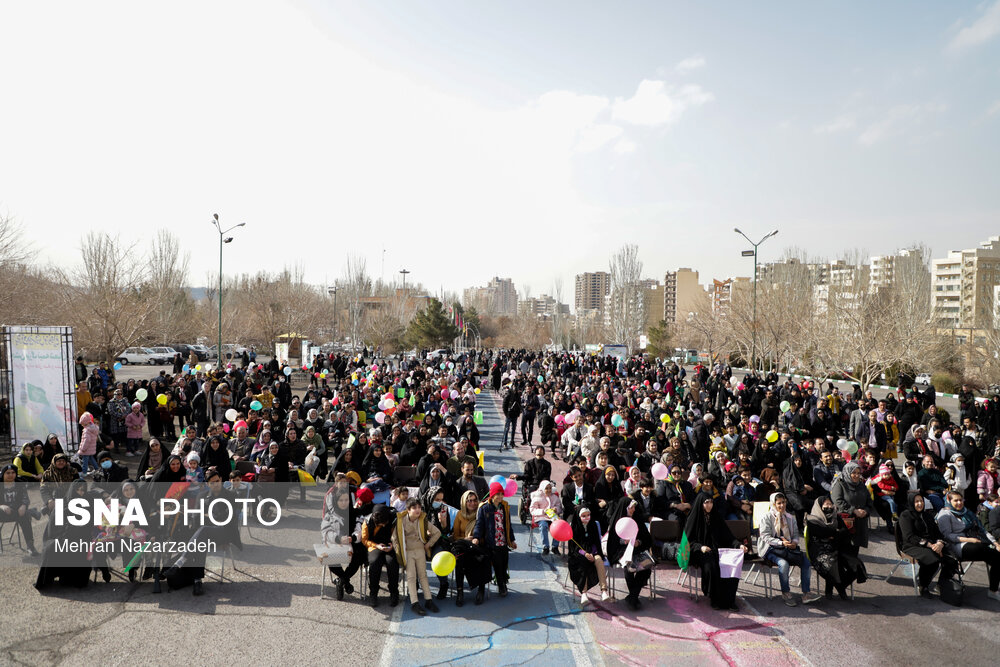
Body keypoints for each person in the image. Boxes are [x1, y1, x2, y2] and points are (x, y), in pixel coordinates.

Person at [683, 491, 747, 610]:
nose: (709, 505)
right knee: (711, 566)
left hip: (717, 550)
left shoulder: (716, 517)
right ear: (701, 504)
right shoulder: (693, 518)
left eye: (711, 502)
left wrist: (739, 545)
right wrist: (700, 547)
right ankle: (715, 598)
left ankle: (730, 600)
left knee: (731, 564)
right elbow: (687, 542)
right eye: (706, 503)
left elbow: (728, 536)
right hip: (699, 552)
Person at [758, 492, 822, 606]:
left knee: (806, 561)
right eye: (779, 503)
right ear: (773, 504)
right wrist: (780, 542)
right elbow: (765, 536)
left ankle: (806, 593)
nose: (782, 505)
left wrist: (794, 543)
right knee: (783, 564)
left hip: (788, 548)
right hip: (771, 548)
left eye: (783, 502)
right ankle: (786, 593)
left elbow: (796, 534)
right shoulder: (767, 517)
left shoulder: (790, 517)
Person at [936, 491, 1000, 602]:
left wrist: (995, 543)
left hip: (975, 542)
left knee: (998, 557)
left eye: (961, 500)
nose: (959, 503)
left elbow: (982, 530)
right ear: (949, 500)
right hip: (955, 545)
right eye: (956, 500)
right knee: (979, 548)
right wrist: (968, 540)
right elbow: (947, 536)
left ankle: (993, 591)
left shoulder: (967, 512)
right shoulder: (945, 514)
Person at [805, 496, 866, 600]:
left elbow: (845, 532)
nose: (829, 507)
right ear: (819, 506)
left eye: (830, 504)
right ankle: (836, 590)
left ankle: (840, 586)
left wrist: (833, 534)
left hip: (837, 547)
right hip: (819, 550)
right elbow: (820, 533)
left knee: (856, 565)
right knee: (832, 564)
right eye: (826, 504)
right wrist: (835, 532)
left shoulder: (836, 517)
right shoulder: (812, 519)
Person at [898, 493, 957, 598]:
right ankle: (923, 585)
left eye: (921, 501)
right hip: (911, 546)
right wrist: (929, 545)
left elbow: (937, 532)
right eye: (916, 502)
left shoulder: (927, 515)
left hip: (932, 545)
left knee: (952, 559)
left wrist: (940, 543)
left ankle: (941, 584)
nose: (920, 504)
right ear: (911, 503)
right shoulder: (905, 516)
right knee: (932, 560)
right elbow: (909, 537)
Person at [393, 497, 441, 616]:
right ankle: (415, 603)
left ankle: (429, 600)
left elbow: (437, 532)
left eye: (419, 507)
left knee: (423, 575)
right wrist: (400, 551)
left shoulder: (422, 520)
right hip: (408, 551)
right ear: (408, 510)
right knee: (411, 576)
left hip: (420, 550)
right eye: (414, 508)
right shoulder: (401, 521)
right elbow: (394, 538)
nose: (418, 510)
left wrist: (429, 544)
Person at [605, 496, 653, 610]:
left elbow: (647, 538)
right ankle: (634, 598)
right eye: (631, 508)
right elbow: (613, 541)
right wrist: (624, 541)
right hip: (621, 551)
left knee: (646, 568)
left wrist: (638, 542)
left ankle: (632, 596)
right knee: (629, 568)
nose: (633, 510)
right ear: (625, 508)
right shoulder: (617, 520)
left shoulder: (637, 519)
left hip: (637, 550)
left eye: (634, 508)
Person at [472, 482, 517, 603]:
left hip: (503, 541)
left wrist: (512, 540)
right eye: (498, 494)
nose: (500, 497)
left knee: (503, 563)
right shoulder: (484, 508)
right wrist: (476, 537)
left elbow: (508, 525)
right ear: (492, 495)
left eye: (502, 494)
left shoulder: (505, 507)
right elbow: (479, 525)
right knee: (492, 563)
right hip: (490, 543)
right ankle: (486, 588)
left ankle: (502, 583)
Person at [321, 489, 365, 600]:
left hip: (353, 542)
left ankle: (341, 580)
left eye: (346, 500)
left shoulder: (356, 513)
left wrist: (352, 538)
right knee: (330, 557)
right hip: (334, 542)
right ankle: (345, 581)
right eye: (341, 500)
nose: (344, 502)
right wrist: (338, 539)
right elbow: (326, 531)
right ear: (336, 501)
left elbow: (360, 529)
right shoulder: (329, 515)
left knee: (359, 556)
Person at [451, 490, 492, 607]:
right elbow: (455, 536)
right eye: (469, 501)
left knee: (482, 558)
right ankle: (460, 591)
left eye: (475, 500)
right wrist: (465, 539)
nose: (472, 503)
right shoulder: (460, 515)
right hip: (464, 546)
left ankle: (481, 590)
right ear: (464, 502)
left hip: (478, 545)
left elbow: (487, 532)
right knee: (459, 560)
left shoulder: (481, 512)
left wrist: (476, 539)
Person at [567, 505, 611, 604]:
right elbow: (573, 547)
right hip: (579, 555)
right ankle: (584, 592)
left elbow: (596, 543)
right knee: (583, 562)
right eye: (584, 516)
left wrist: (592, 553)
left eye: (588, 515)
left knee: (599, 559)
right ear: (579, 517)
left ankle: (604, 591)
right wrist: (585, 553)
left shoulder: (593, 525)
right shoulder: (574, 527)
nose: (587, 518)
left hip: (593, 552)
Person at [361, 504, 399, 607]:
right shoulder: (367, 521)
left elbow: (398, 536)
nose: (383, 526)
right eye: (380, 524)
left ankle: (394, 592)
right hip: (374, 546)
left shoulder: (393, 519)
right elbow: (364, 540)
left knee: (392, 563)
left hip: (390, 546)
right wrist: (376, 546)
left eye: (385, 523)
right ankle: (373, 593)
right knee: (374, 562)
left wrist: (392, 546)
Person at [831, 461, 873, 550]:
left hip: (860, 521)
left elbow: (869, 501)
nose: (857, 475)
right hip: (845, 521)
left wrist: (865, 511)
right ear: (847, 472)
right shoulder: (840, 484)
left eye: (858, 473)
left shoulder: (861, 485)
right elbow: (838, 501)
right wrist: (853, 510)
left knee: (855, 547)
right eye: (854, 473)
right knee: (845, 548)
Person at [0, 465, 38, 555]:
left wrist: (24, 505)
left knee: (25, 517)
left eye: (13, 473)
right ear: (3, 474)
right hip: (3, 513)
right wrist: (1, 506)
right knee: (26, 514)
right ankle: (31, 512)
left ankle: (30, 546)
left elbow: (25, 498)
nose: (11, 475)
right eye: (8, 473)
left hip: (17, 511)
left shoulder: (20, 483)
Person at [529, 480, 563, 554]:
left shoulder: (554, 497)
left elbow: (559, 507)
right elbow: (532, 510)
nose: (548, 490)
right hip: (541, 517)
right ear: (542, 489)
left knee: (559, 526)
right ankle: (546, 546)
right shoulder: (537, 497)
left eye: (550, 488)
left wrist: (556, 509)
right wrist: (543, 511)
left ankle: (555, 546)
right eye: (546, 488)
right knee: (543, 525)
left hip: (552, 517)